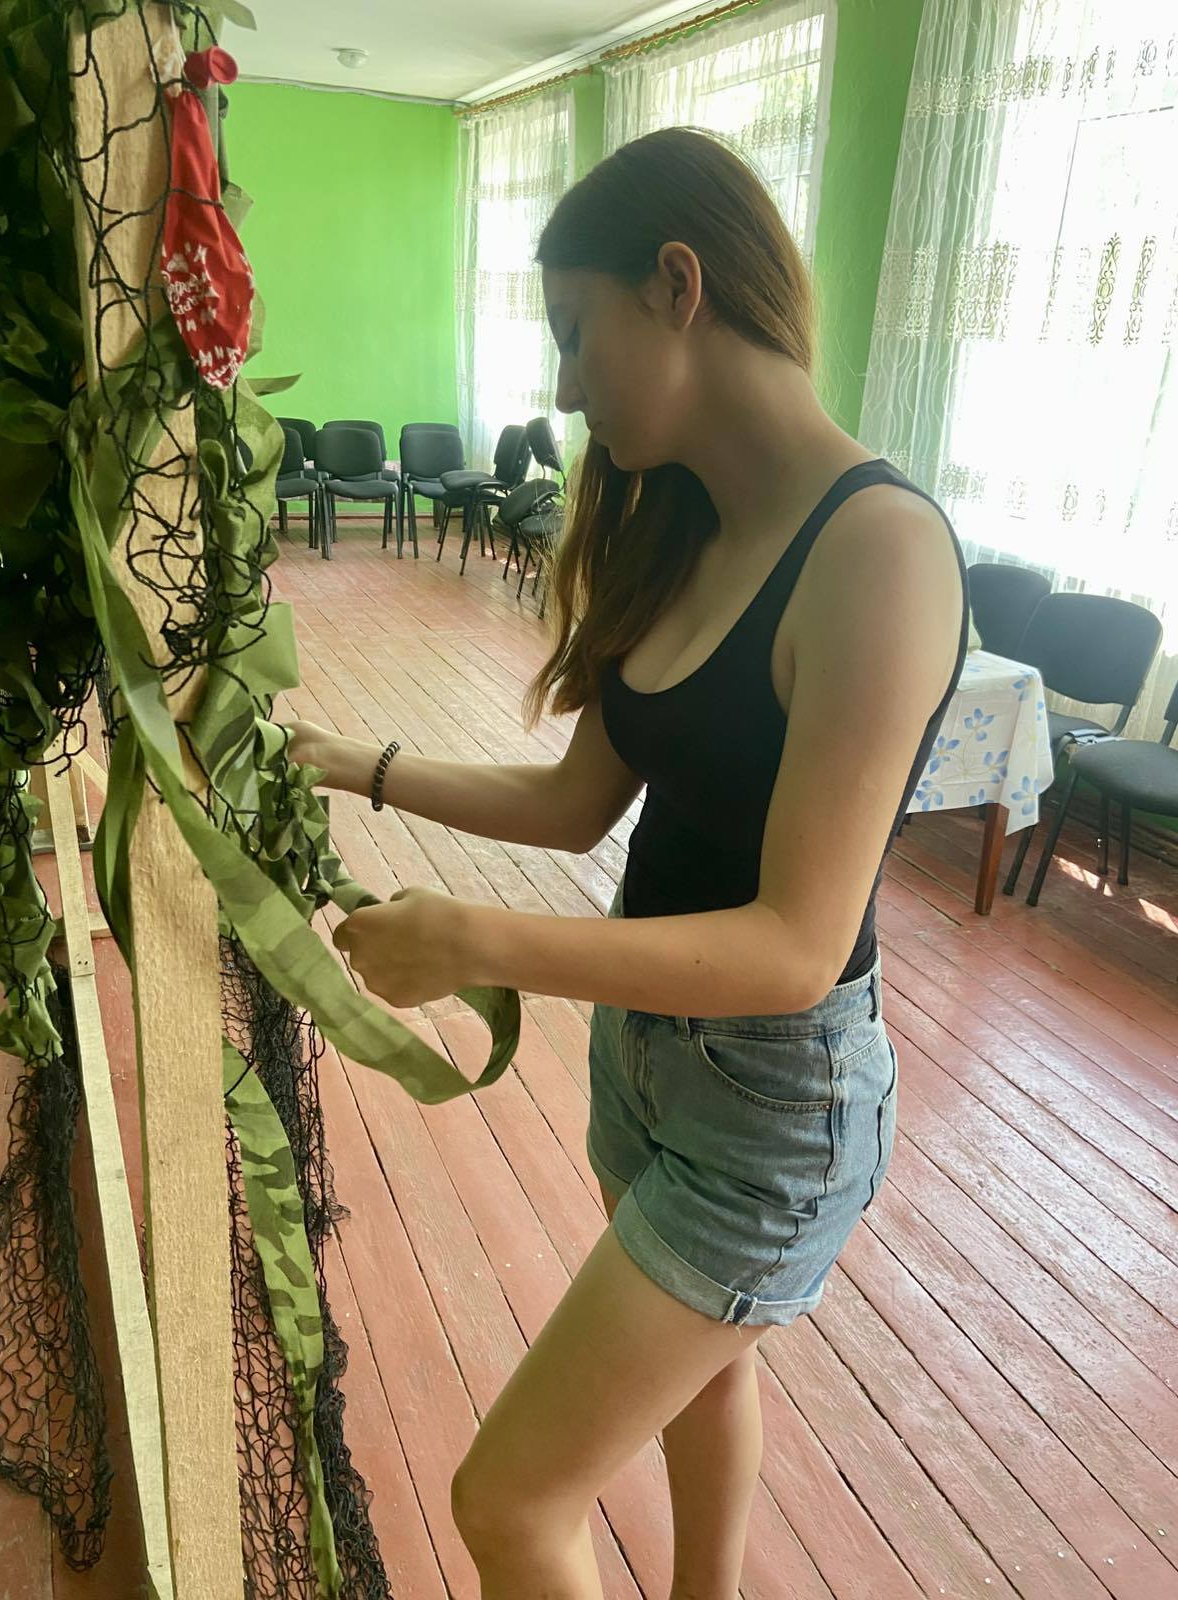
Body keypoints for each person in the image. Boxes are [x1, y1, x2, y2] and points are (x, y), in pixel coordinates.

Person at [285, 128, 967, 1600]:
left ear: (677, 285)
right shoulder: (685, 527)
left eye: (573, 331)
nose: (564, 387)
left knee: (508, 1502)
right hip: (647, 1063)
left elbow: (794, 945)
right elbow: (578, 802)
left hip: (775, 1099)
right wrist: (360, 764)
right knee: (704, 1380)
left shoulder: (879, 552)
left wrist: (478, 943)